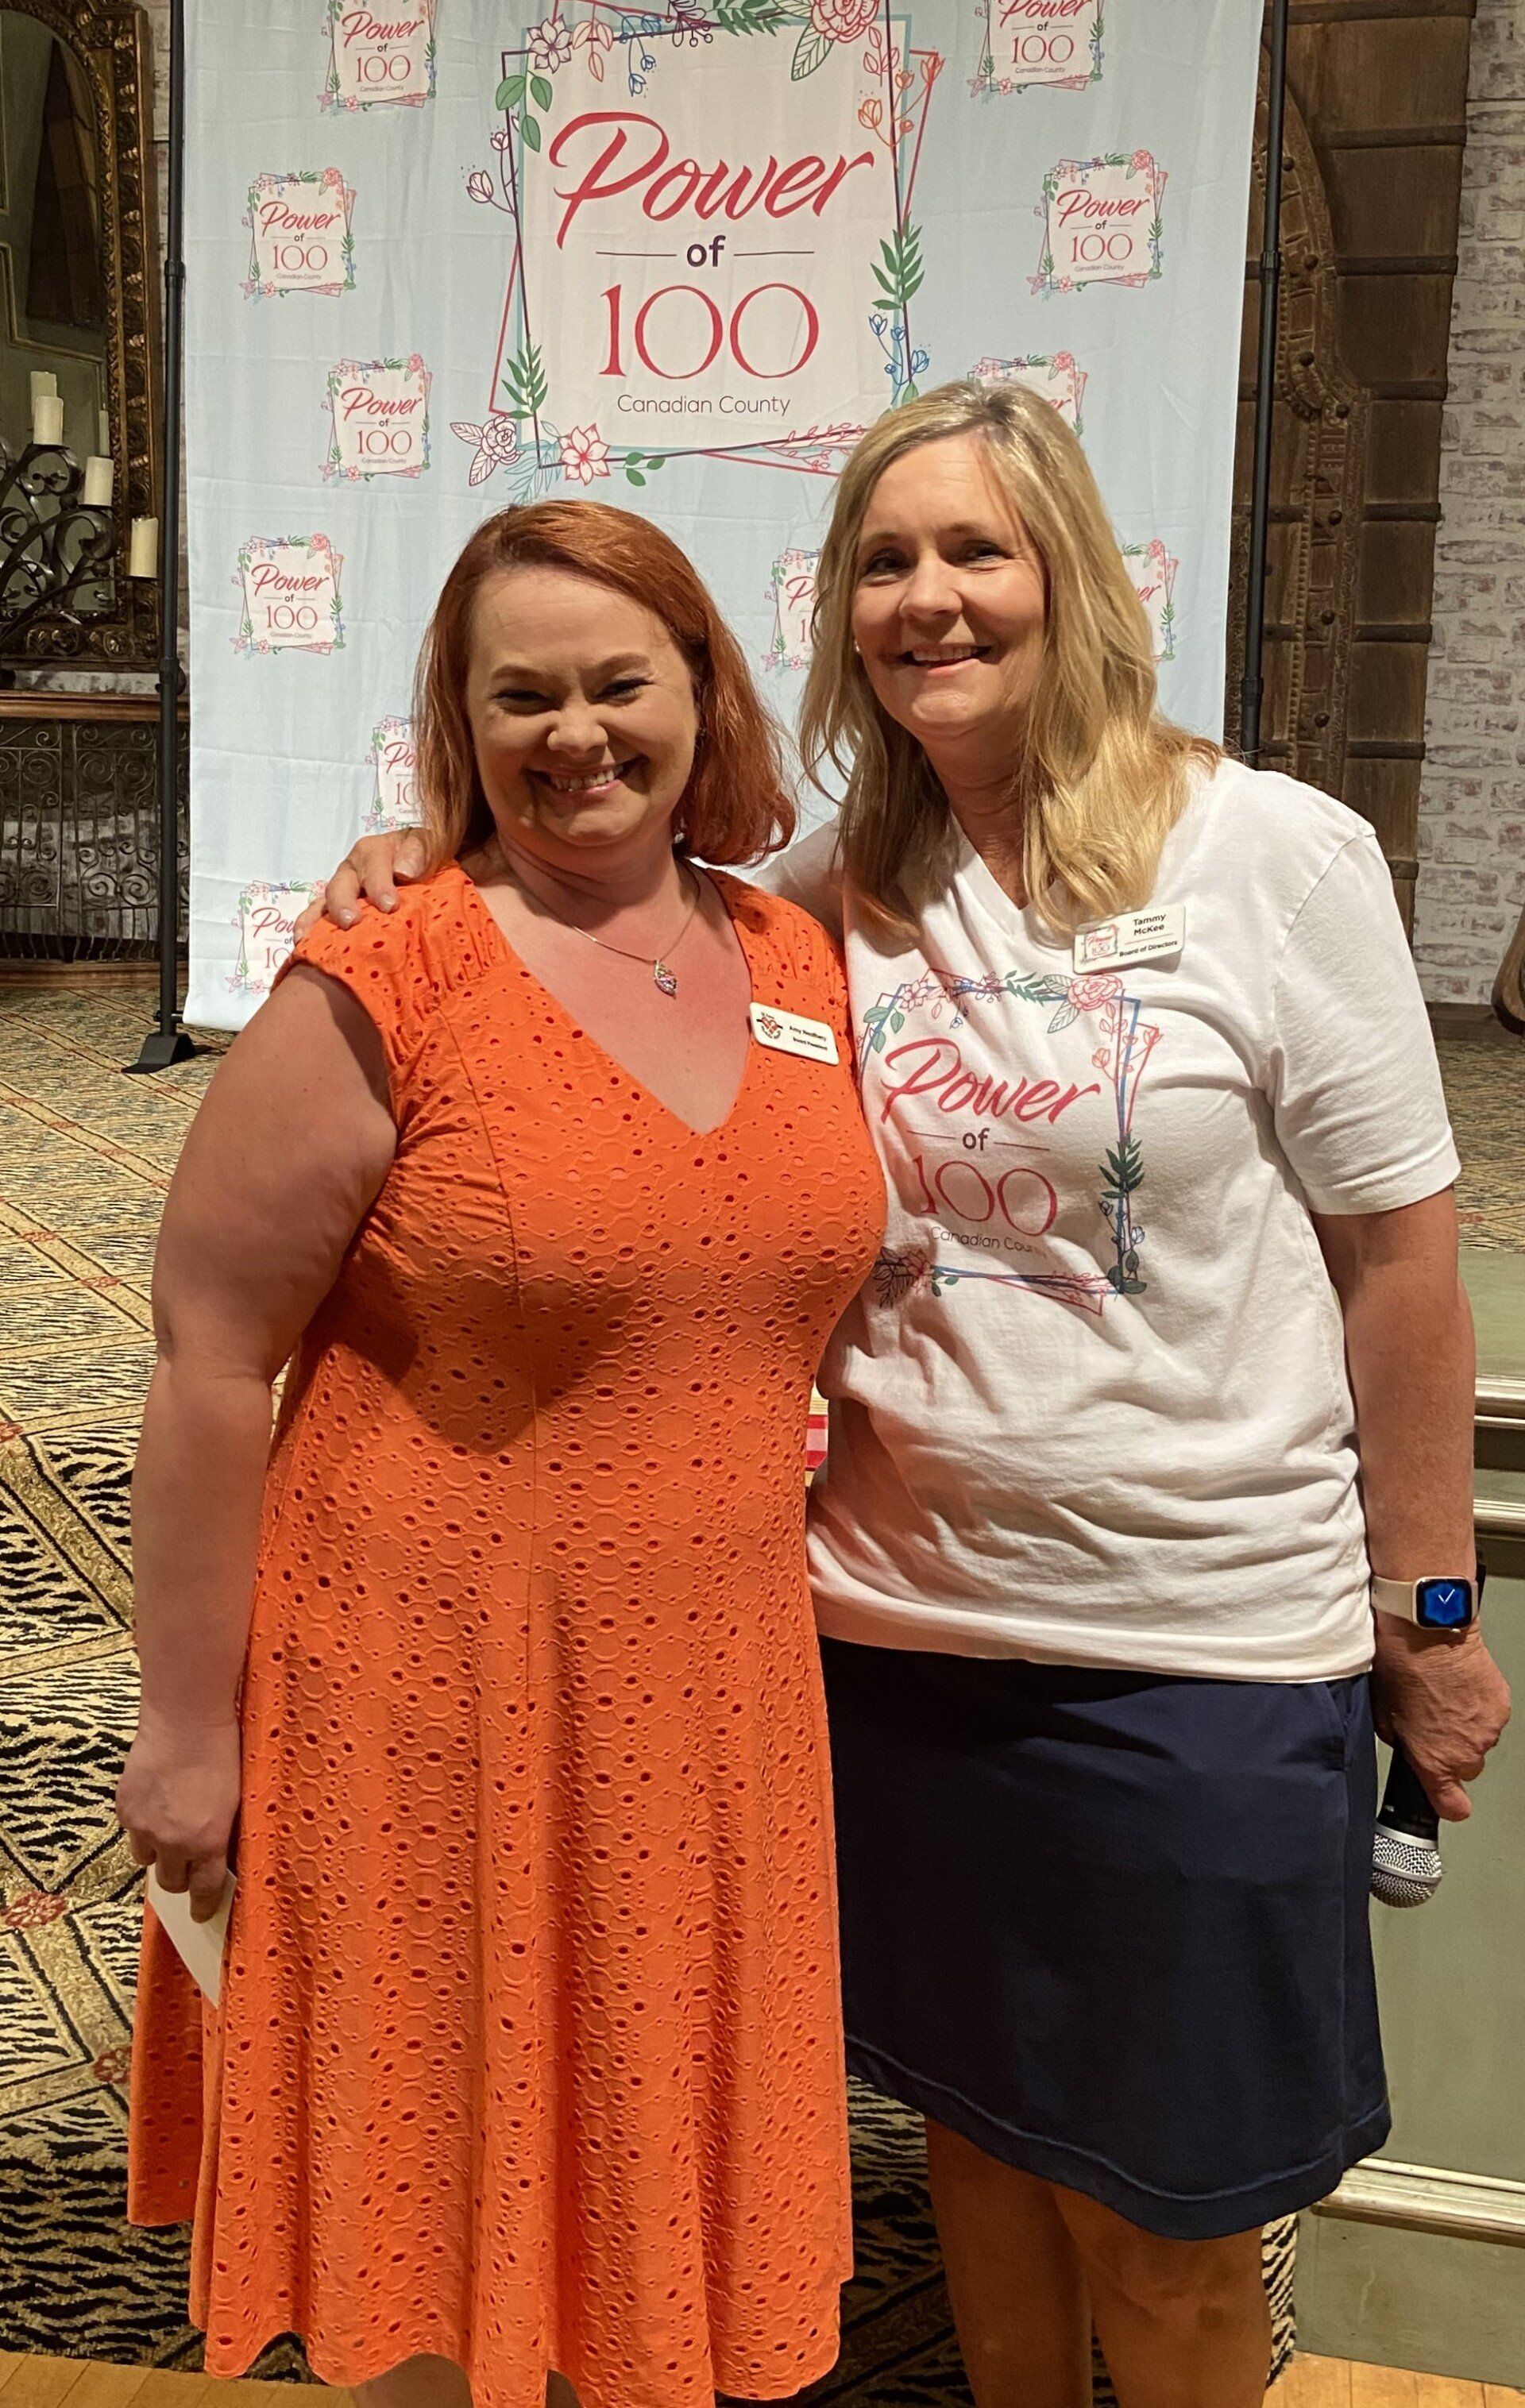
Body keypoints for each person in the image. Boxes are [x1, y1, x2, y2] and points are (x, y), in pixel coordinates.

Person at [313, 380, 1510, 2408]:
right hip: (894, 1639)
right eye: (885, 559)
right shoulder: (816, 890)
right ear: (838, 611)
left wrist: (1438, 1610)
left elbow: (1405, 1263)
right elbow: (587, 897)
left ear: (1076, 582)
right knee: (975, 2163)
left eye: (976, 550)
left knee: (1183, 2227)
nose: (929, 598)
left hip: (1201, 1650)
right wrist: (417, 859)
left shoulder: (1274, 858)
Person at [118, 501, 886, 2408]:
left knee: (640, 2175)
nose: (578, 735)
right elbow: (212, 1361)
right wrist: (188, 1729)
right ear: (458, 727)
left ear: (704, 693)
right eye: (518, 695)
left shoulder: (796, 949)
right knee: (431, 2220)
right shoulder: (390, 968)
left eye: (621, 683)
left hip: (715, 1689)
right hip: (424, 1689)